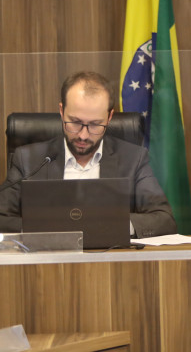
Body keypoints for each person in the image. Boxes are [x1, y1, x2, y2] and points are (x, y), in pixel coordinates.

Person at [0, 71, 177, 237]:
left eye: (95, 124)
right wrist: (46, 228)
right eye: (75, 122)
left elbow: (164, 219)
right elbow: (2, 218)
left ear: (109, 117)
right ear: (62, 111)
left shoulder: (133, 159)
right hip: (48, 258)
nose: (83, 135)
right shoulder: (29, 160)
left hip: (110, 258)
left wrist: (115, 225)